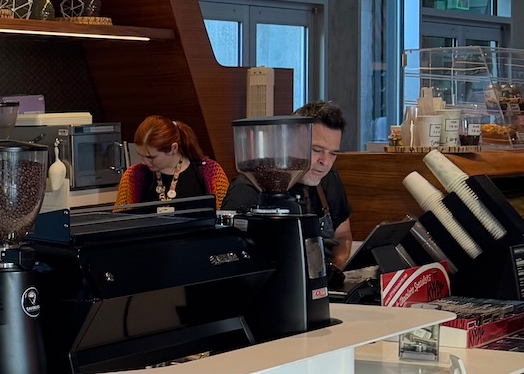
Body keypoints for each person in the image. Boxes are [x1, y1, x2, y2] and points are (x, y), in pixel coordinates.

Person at [221, 99, 354, 270]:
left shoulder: (327, 179)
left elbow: (343, 235)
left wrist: (333, 268)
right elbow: (231, 259)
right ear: (289, 142)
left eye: (333, 153)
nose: (325, 162)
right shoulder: (248, 190)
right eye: (316, 150)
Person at [114, 115, 229, 208]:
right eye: (140, 155)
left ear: (173, 148)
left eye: (151, 157)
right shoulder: (134, 175)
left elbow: (227, 219)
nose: (144, 162)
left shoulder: (209, 171)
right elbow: (118, 224)